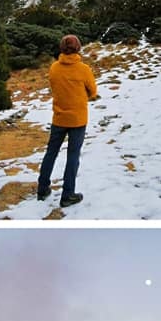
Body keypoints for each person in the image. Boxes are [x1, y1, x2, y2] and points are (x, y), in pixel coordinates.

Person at [37, 34, 97, 208]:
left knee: (51, 153)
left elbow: (54, 87)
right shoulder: (83, 69)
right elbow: (92, 91)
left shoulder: (54, 67)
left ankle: (42, 189)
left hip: (59, 117)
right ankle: (68, 195)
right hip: (77, 119)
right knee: (73, 156)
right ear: (78, 48)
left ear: (62, 49)